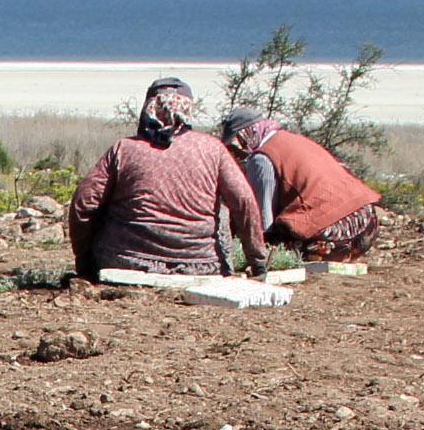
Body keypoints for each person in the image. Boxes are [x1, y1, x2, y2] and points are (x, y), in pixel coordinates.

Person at [69, 79, 263, 280]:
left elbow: (84, 202)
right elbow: (244, 201)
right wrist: (257, 262)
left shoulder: (124, 149)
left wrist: (84, 259)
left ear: (148, 107)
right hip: (201, 265)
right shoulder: (213, 150)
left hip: (127, 261)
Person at [215, 110, 383, 263]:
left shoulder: (261, 159)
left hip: (332, 232)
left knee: (281, 238)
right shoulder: (293, 140)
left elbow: (263, 221)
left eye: (235, 147)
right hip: (366, 222)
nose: (235, 154)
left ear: (245, 136)